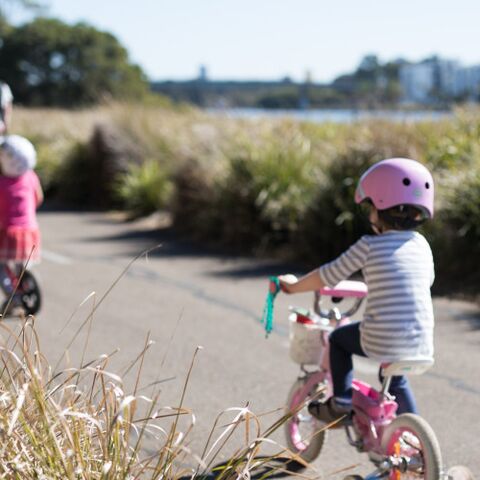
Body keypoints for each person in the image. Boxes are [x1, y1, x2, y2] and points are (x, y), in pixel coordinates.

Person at [279, 157, 435, 422]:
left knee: (338, 340)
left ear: (380, 206)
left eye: (369, 206)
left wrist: (293, 287)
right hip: (420, 342)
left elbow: (327, 275)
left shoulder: (369, 245)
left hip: (380, 338)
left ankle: (340, 402)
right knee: (395, 378)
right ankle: (413, 435)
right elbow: (420, 283)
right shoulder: (422, 246)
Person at [0, 134, 43, 316]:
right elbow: (38, 198)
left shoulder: (2, 184)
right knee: (20, 263)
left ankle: (12, 295)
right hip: (30, 230)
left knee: (1, 266)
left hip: (10, 232)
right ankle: (22, 283)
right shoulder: (31, 177)